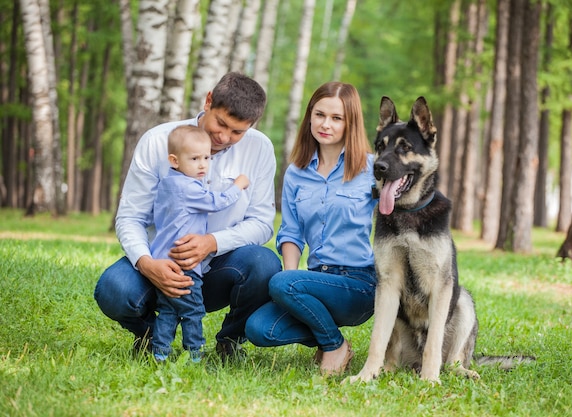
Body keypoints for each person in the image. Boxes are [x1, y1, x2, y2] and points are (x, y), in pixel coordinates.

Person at [94, 72, 282, 361]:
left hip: (219, 266)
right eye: (221, 124)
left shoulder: (260, 148)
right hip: (162, 260)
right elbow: (131, 217)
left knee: (265, 263)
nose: (224, 137)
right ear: (208, 101)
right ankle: (152, 336)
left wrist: (211, 242)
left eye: (237, 132)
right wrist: (147, 264)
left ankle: (229, 341)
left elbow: (261, 223)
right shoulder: (158, 141)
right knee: (113, 289)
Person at [245, 82, 378, 376]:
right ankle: (332, 337)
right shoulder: (296, 172)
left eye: (336, 118)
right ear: (309, 116)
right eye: (319, 115)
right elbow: (290, 233)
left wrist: (286, 284)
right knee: (259, 328)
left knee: (282, 283)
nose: (325, 124)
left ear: (351, 123)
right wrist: (289, 282)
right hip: (315, 283)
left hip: (359, 284)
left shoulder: (372, 169)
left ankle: (333, 345)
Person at [150, 125, 250, 363]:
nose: (203, 165)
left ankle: (160, 352)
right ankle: (194, 354)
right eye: (194, 159)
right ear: (174, 160)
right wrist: (238, 184)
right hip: (184, 264)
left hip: (163, 261)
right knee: (193, 311)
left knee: (168, 310)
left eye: (206, 157)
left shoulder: (168, 183)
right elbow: (217, 201)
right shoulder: (188, 188)